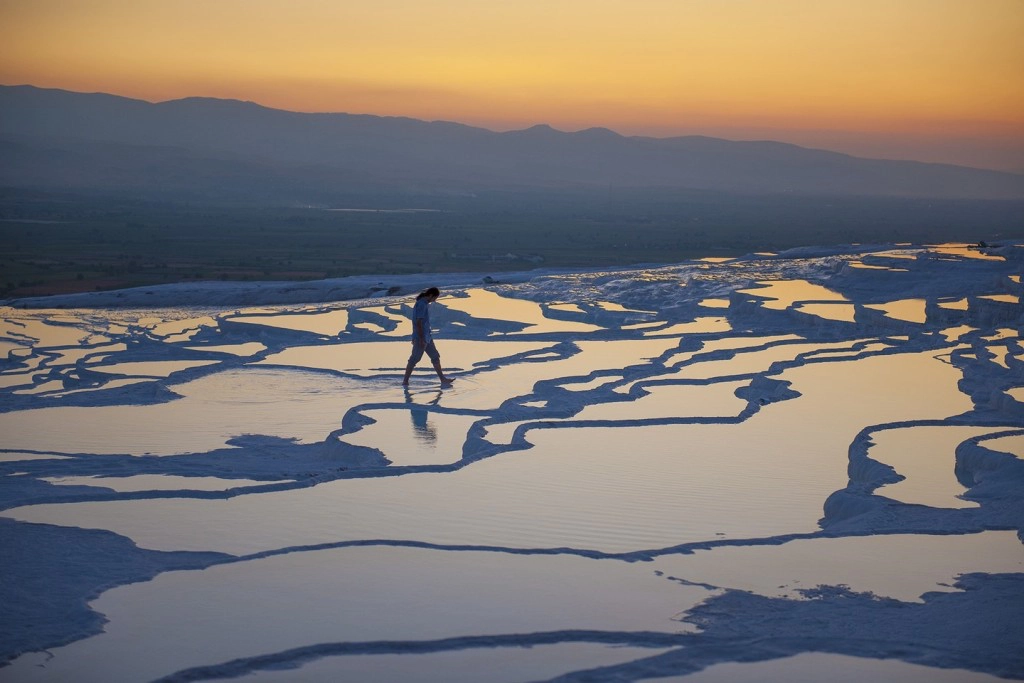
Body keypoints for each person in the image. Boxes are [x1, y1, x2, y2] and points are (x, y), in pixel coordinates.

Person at [402, 287, 453, 385]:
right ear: (430, 295)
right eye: (435, 298)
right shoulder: (421, 304)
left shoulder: (424, 304)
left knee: (435, 357)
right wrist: (421, 339)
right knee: (414, 359)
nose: (434, 301)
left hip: (427, 336)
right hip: (421, 337)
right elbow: (418, 322)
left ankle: (443, 379)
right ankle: (405, 381)